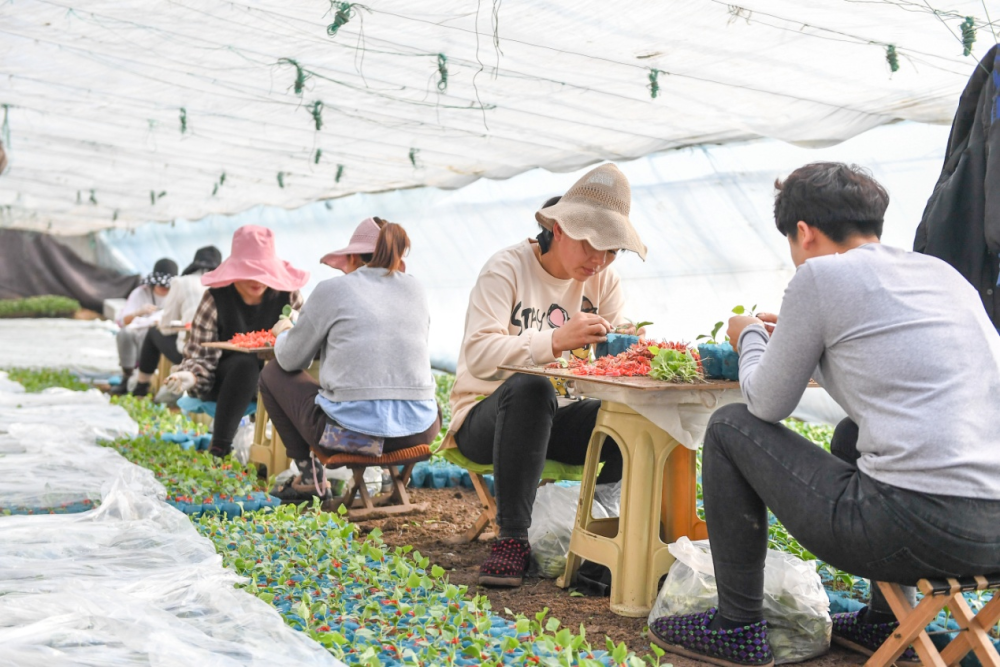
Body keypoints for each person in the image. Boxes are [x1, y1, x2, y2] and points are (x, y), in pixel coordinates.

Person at [649, 163, 1000, 667]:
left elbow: (765, 403)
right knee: (851, 434)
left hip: (917, 530)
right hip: (994, 531)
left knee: (729, 426)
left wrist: (748, 335)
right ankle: (887, 621)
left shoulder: (819, 276)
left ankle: (737, 627)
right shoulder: (941, 275)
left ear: (804, 233)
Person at [446, 163, 647, 587]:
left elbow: (604, 361)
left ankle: (603, 533)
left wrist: (628, 346)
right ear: (557, 228)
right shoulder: (507, 269)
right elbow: (479, 357)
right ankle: (512, 539)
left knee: (630, 415)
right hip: (488, 416)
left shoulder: (604, 279)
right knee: (532, 387)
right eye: (591, 244)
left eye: (612, 250)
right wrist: (554, 341)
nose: (600, 260)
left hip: (557, 419)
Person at [260, 217, 440, 501]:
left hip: (346, 438)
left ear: (352, 256)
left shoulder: (332, 290)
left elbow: (291, 360)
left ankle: (309, 478)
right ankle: (387, 477)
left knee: (272, 373)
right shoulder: (415, 289)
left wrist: (284, 332)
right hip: (419, 433)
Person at [164, 226, 307, 458]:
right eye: (249, 271)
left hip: (276, 380)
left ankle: (303, 462)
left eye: (263, 272)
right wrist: (189, 376)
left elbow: (307, 339)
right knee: (245, 363)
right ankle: (220, 446)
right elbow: (201, 353)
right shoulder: (216, 299)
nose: (257, 280)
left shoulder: (288, 296)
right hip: (226, 381)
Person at [131, 246, 223, 398]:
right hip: (220, 357)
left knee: (154, 332)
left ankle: (141, 387)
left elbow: (165, 326)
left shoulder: (182, 282)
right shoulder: (227, 286)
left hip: (193, 356)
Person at [109, 258, 177, 395]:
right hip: (139, 338)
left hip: (162, 338)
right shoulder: (140, 293)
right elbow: (123, 321)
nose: (164, 288)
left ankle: (145, 384)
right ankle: (127, 378)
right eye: (160, 285)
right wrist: (138, 312)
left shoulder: (177, 295)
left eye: (168, 286)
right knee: (125, 333)